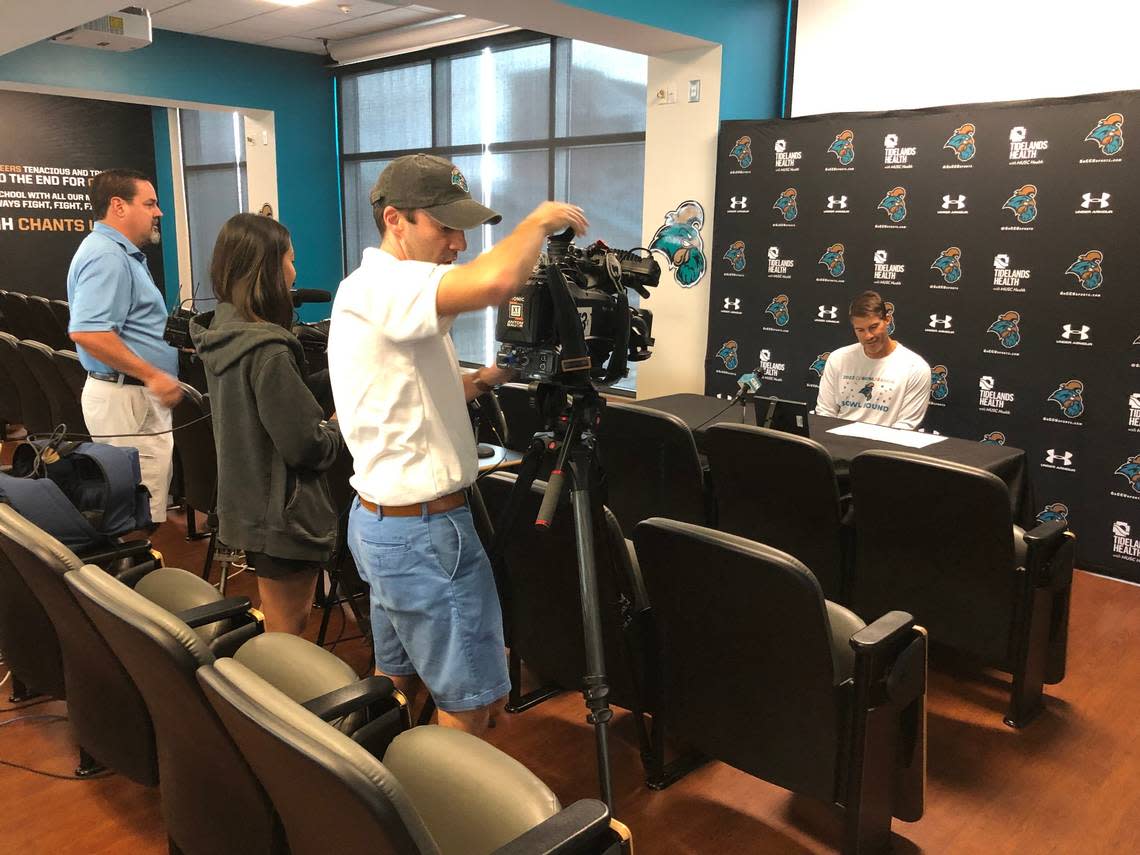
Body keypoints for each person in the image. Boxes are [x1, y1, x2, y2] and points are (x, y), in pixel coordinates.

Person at [328, 153, 588, 736]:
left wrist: (487, 379)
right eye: (444, 227)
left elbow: (406, 391)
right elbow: (497, 282)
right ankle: (459, 823)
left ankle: (387, 803)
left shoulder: (367, 292)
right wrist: (538, 221)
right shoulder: (389, 284)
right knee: (473, 704)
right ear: (395, 219)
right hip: (424, 535)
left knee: (396, 684)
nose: (458, 243)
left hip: (386, 525)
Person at [189, 213, 341, 636]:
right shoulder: (270, 349)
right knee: (286, 634)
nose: (296, 271)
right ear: (270, 270)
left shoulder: (225, 332)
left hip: (251, 506)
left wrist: (338, 374)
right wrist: (339, 427)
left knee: (277, 622)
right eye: (290, 261)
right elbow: (306, 446)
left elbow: (267, 402)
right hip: (284, 517)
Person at [67, 169, 182, 525]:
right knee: (137, 513)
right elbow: (89, 332)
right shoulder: (108, 256)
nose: (158, 212)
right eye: (149, 203)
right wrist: (153, 375)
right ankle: (138, 579)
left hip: (129, 395)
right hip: (129, 398)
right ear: (118, 206)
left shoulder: (116, 252)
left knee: (136, 507)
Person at [815, 290, 930, 430]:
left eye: (873, 327)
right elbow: (825, 414)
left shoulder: (915, 367)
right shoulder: (838, 359)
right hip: (838, 446)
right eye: (860, 330)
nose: (868, 336)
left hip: (884, 449)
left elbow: (906, 426)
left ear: (887, 320)